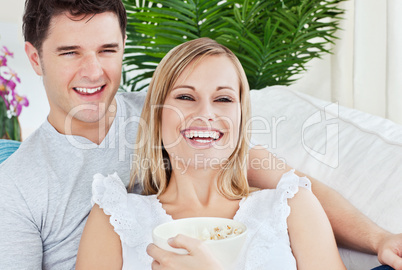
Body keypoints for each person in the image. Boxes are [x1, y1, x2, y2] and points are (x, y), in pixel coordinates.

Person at [0, 0, 400, 269]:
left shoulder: (178, 120)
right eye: (70, 52)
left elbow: (294, 184)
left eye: (107, 50)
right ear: (35, 58)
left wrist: (378, 237)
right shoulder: (18, 187)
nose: (92, 71)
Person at [76, 37, 347, 269]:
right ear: (156, 116)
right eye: (185, 97)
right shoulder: (114, 217)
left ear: (241, 117)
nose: (205, 114)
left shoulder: (292, 207)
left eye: (223, 99)